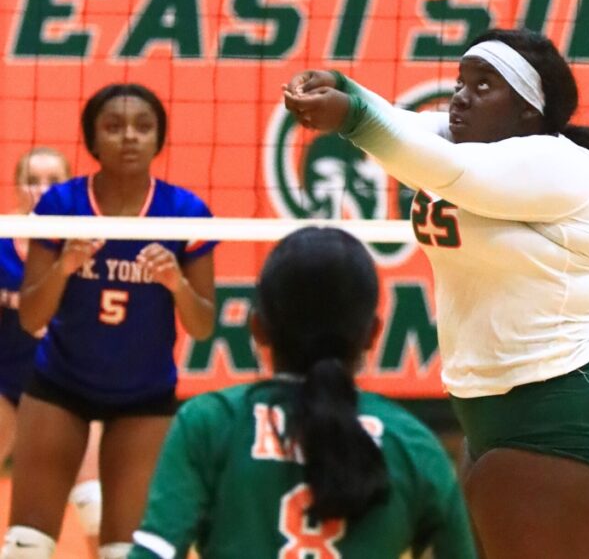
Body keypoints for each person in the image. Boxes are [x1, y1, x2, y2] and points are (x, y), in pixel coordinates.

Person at [281, 28, 589, 559]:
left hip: (555, 411)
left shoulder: (563, 165)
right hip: (485, 409)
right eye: (460, 82)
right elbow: (408, 128)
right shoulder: (460, 139)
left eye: (484, 85)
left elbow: (449, 172)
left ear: (529, 113)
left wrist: (351, 117)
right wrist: (343, 87)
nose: (462, 97)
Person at [127, 226, 476, 558]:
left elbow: (155, 552)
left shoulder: (209, 425)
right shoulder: (415, 447)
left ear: (257, 328)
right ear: (373, 334)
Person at [2, 84, 217, 559]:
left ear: (159, 139)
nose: (129, 138)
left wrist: (175, 282)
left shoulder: (185, 213)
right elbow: (31, 316)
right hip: (61, 385)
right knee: (25, 547)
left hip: (143, 395)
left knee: (124, 549)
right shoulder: (61, 206)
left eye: (143, 127)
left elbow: (203, 326)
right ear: (92, 139)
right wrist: (64, 265)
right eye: (114, 127)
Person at [0, 148, 104, 558]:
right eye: (33, 178)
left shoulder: (91, 242)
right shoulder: (2, 238)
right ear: (16, 186)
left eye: (53, 179)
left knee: (96, 506)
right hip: (7, 384)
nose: (42, 188)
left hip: (67, 387)